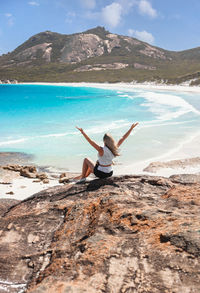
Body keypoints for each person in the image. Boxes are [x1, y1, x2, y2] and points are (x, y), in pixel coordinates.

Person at [73, 122, 139, 182]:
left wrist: (83, 132)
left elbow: (90, 141)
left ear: (104, 141)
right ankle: (83, 177)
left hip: (101, 173)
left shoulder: (101, 150)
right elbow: (123, 138)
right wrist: (131, 128)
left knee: (86, 159)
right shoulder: (114, 148)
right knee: (93, 166)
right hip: (110, 173)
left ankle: (82, 178)